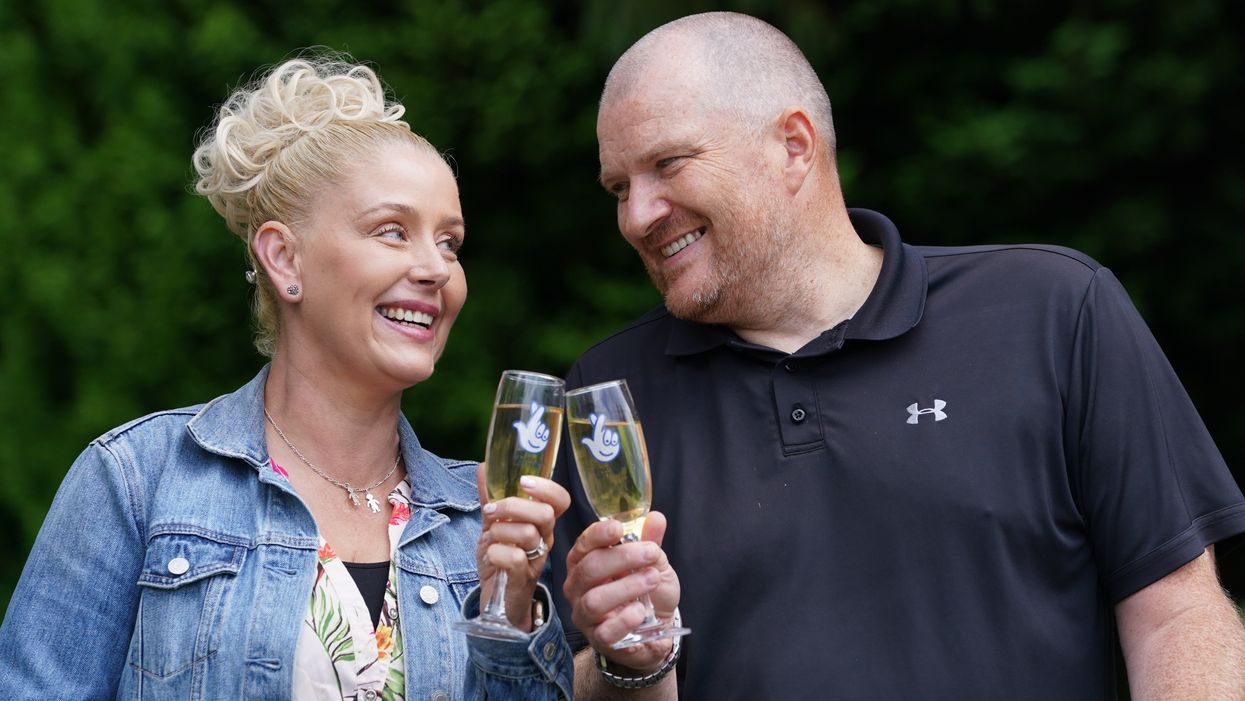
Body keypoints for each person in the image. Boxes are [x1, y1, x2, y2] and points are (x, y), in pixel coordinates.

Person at [552, 11, 1245, 699]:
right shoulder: (608, 395)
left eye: (666, 164)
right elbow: (568, 675)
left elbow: (1177, 615)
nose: (636, 216)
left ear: (793, 146)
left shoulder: (1052, 312)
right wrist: (628, 662)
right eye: (618, 188)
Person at [0, 54, 573, 699]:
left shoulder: (481, 522)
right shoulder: (138, 481)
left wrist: (512, 611)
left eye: (449, 242)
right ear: (284, 257)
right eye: (392, 231)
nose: (436, 269)